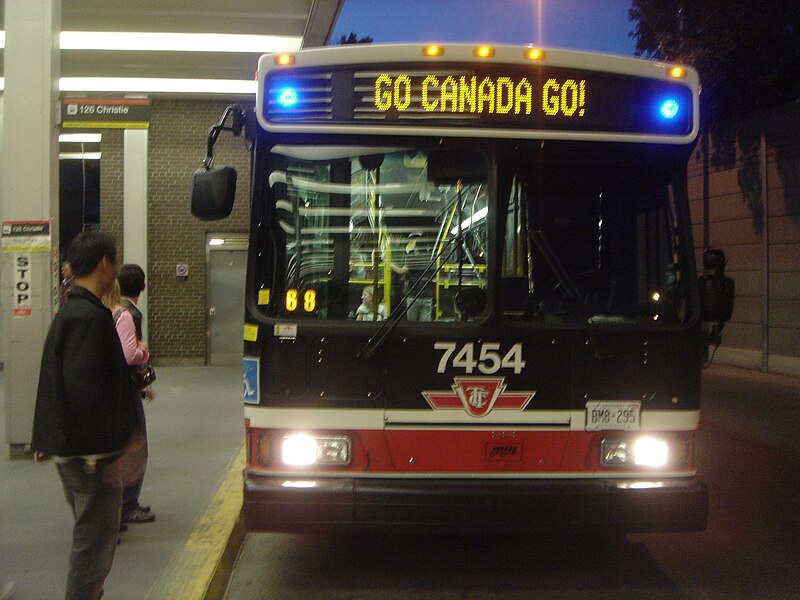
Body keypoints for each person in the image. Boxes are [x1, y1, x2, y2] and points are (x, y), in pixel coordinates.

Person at [32, 231, 138, 600]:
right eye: (115, 265)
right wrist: (115, 440)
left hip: (75, 451)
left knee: (90, 540)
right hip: (91, 457)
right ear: (105, 264)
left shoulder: (72, 312)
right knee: (93, 547)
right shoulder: (88, 316)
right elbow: (82, 389)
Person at [102, 274, 155, 525]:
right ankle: (126, 505)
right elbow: (130, 354)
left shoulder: (96, 314)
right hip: (125, 389)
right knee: (135, 445)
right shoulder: (124, 315)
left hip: (104, 391)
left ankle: (114, 508)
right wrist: (143, 350)